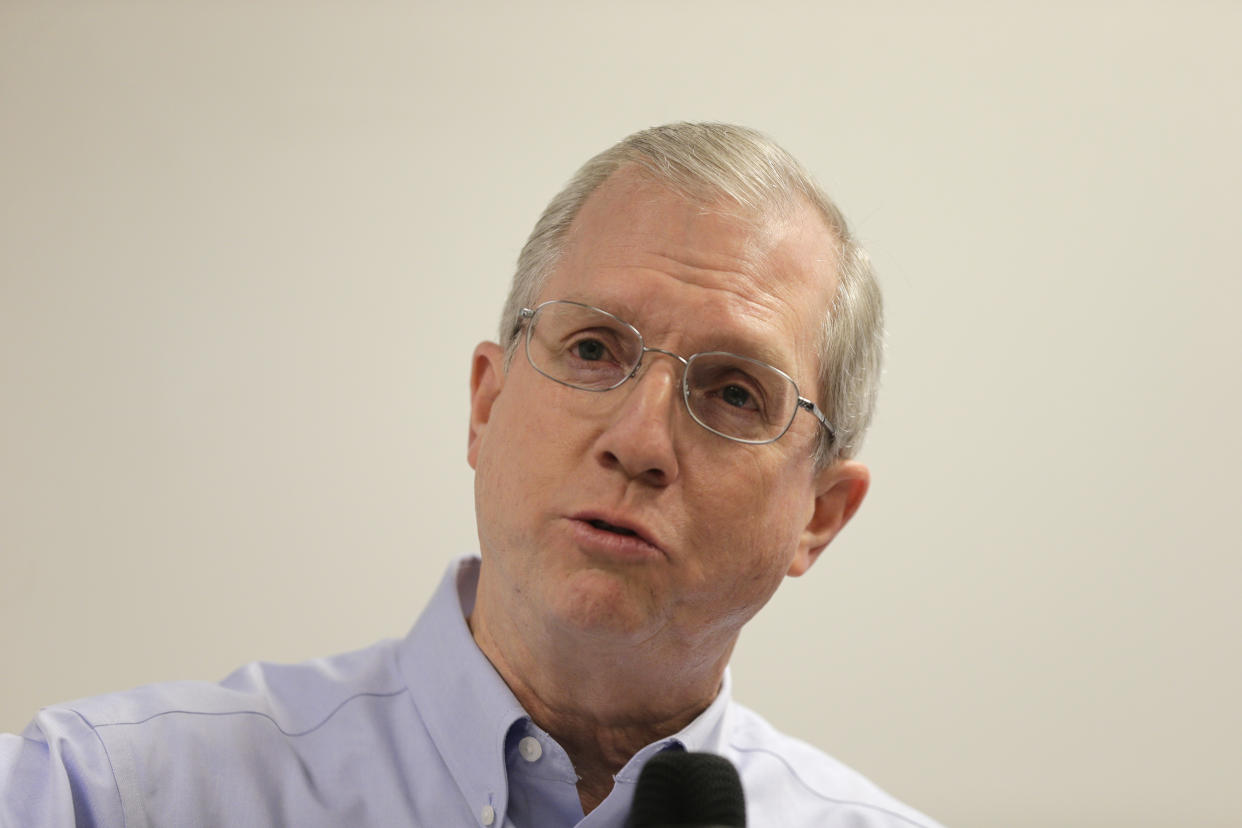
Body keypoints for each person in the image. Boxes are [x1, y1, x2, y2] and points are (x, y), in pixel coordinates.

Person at [1, 122, 943, 827]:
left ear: (820, 515)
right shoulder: (109, 794)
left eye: (735, 393)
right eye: (591, 347)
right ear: (486, 406)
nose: (640, 438)